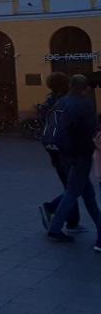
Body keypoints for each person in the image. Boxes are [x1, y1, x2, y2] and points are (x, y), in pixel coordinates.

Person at [45, 74, 101, 245]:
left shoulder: (61, 102)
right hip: (81, 153)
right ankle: (55, 228)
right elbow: (93, 130)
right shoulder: (84, 104)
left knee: (87, 193)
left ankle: (100, 227)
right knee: (73, 192)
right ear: (85, 88)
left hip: (64, 153)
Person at [38, 72, 81, 233]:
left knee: (69, 185)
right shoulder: (66, 101)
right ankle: (50, 207)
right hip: (67, 151)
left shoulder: (50, 101)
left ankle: (72, 221)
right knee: (73, 187)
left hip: (54, 150)